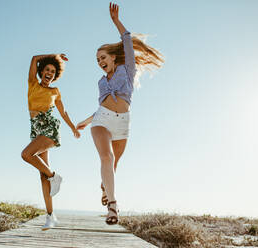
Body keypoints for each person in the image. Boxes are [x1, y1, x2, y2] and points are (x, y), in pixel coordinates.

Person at [76, 3, 164, 225]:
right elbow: (101, 107)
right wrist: (87, 122)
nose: (100, 62)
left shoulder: (127, 70)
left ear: (113, 57)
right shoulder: (100, 81)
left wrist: (115, 21)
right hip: (102, 121)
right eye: (97, 60)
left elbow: (126, 39)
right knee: (107, 157)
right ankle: (113, 207)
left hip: (123, 123)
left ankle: (105, 188)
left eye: (102, 57)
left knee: (112, 167)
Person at [21, 53, 80, 230]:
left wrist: (72, 128)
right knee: (42, 175)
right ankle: (50, 216)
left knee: (26, 154)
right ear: (41, 71)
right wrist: (54, 56)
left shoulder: (55, 91)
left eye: (53, 71)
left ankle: (55, 177)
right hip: (36, 131)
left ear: (55, 75)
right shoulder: (32, 83)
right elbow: (33, 58)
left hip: (49, 128)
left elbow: (63, 112)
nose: (49, 73)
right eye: (47, 69)